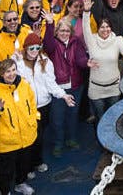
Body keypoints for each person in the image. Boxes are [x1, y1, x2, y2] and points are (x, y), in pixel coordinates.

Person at [15, 33, 75, 177]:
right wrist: (19, 63)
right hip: (27, 108)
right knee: (29, 139)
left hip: (44, 105)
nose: (35, 51)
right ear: (25, 48)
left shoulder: (46, 61)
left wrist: (63, 95)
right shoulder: (17, 63)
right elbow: (18, 83)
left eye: (37, 47)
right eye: (31, 48)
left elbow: (51, 83)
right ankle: (28, 167)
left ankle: (37, 161)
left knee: (39, 136)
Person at [81, 1, 123, 123]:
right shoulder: (92, 40)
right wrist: (86, 12)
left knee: (114, 119)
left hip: (114, 88)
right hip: (96, 89)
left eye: (107, 26)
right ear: (98, 29)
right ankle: (101, 142)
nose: (105, 29)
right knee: (100, 119)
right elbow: (85, 28)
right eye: (102, 27)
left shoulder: (118, 40)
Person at [0, 58, 39, 195]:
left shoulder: (24, 85)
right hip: (7, 140)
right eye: (7, 71)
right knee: (6, 170)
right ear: (0, 74)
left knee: (24, 164)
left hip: (27, 135)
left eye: (13, 70)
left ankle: (20, 183)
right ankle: (5, 190)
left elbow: (32, 104)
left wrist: (34, 120)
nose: (11, 74)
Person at [42, 14, 89, 156]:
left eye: (67, 31)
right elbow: (47, 44)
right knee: (57, 118)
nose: (64, 33)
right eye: (61, 31)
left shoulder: (76, 42)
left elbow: (81, 58)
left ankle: (71, 139)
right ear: (57, 32)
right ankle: (58, 143)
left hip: (75, 86)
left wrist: (86, 63)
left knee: (72, 115)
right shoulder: (53, 44)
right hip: (59, 88)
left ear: (71, 32)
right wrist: (50, 24)